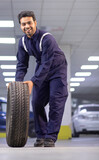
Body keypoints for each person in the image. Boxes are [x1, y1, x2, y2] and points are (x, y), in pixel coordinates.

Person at [15, 10, 68, 147]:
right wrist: (17, 84)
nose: (27, 26)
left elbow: (46, 63)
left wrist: (33, 81)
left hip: (57, 68)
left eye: (29, 23)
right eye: (23, 24)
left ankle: (50, 137)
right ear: (20, 26)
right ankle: (41, 135)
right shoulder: (22, 42)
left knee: (55, 102)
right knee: (37, 102)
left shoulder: (47, 38)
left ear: (35, 23)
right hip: (42, 69)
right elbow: (21, 65)